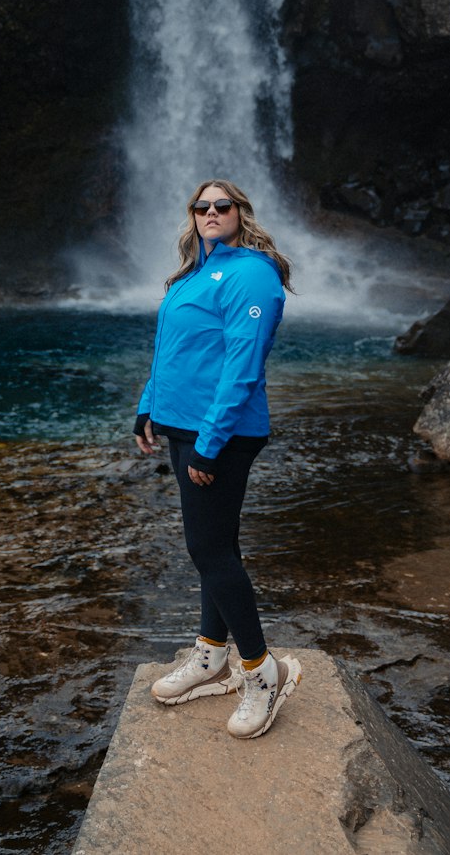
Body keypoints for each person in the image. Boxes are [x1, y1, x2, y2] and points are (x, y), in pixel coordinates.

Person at [133, 178, 301, 740]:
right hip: (184, 426)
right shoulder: (194, 275)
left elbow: (242, 367)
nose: (210, 212)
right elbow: (173, 350)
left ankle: (261, 670)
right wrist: (148, 405)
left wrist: (210, 442)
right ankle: (212, 657)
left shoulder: (252, 273)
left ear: (240, 213)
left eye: (221, 205)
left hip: (220, 434)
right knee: (216, 547)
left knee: (207, 548)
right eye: (200, 206)